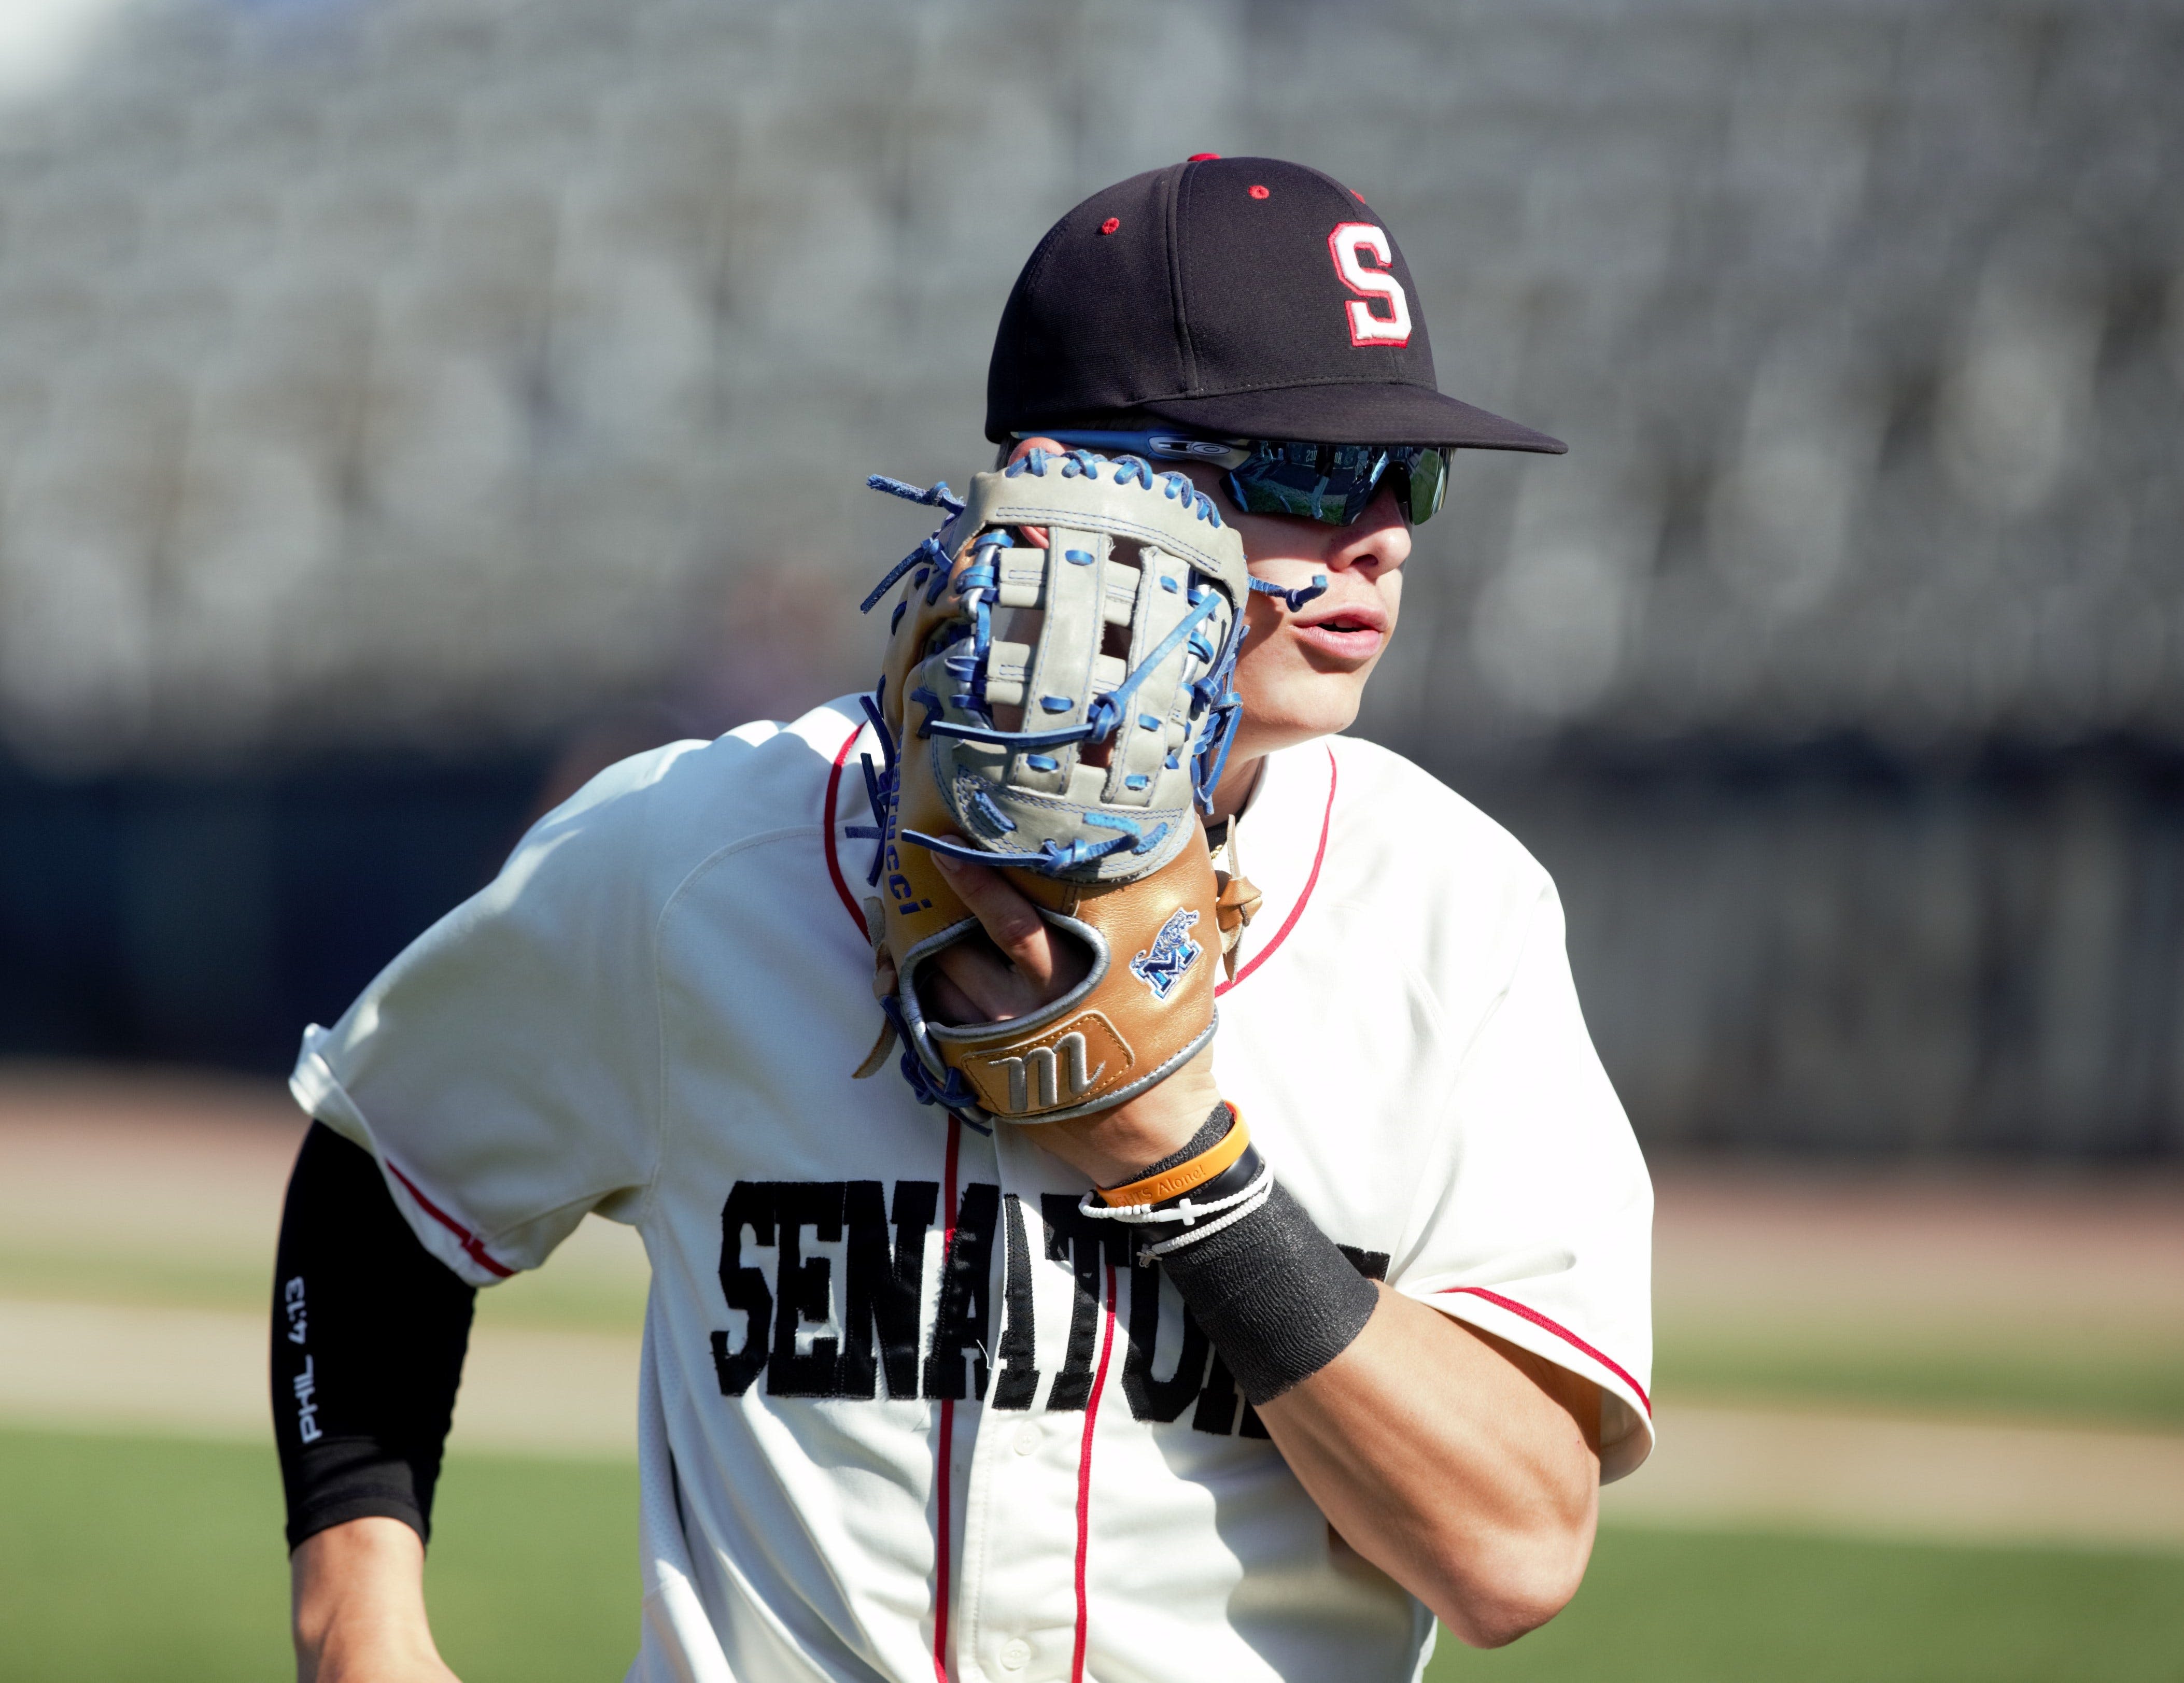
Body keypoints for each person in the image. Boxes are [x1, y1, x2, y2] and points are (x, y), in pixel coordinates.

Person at [272, 155, 1653, 1683]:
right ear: (1070, 481)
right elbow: (384, 1164)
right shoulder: (702, 857)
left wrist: (1187, 1173)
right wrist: (360, 1627)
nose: (1385, 535)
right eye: (1308, 470)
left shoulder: (1456, 917)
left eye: (1416, 479)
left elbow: (1519, 1552)